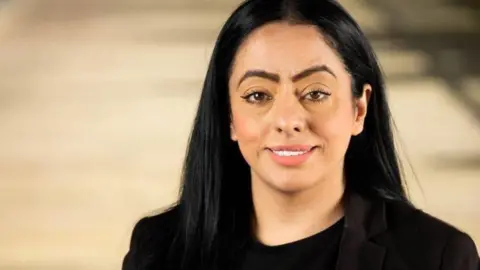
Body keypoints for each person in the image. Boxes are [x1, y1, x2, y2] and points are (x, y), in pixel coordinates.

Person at [122, 0, 480, 269]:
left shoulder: (437, 257)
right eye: (258, 95)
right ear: (228, 116)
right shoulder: (159, 250)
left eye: (316, 93)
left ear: (359, 109)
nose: (288, 120)